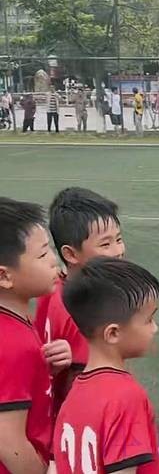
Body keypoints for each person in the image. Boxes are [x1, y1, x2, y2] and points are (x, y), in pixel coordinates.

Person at [53, 257, 159, 473]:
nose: (155, 328)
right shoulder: (126, 398)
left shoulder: (72, 397)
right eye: (149, 320)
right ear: (113, 333)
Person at [34, 187, 125, 414]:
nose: (118, 251)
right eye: (105, 244)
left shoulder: (55, 287)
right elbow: (84, 386)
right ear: (71, 254)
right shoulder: (78, 309)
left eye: (119, 239)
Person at [0, 197, 59, 474]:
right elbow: (9, 442)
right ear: (4, 277)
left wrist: (44, 368)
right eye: (43, 255)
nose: (54, 261)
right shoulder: (13, 343)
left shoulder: (16, 322)